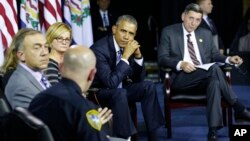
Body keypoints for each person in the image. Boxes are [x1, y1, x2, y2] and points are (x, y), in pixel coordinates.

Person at [157, 3, 250, 141]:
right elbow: (162, 58)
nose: (194, 23)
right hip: (182, 79)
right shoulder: (169, 32)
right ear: (183, 16)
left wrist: (229, 59)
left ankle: (212, 131)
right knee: (214, 69)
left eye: (198, 20)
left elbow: (215, 55)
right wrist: (180, 64)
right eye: (191, 18)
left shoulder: (205, 34)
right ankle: (238, 106)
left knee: (214, 83)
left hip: (205, 77)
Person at [90, 14, 165, 141]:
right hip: (100, 92)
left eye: (131, 33)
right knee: (120, 93)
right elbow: (110, 82)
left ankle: (153, 134)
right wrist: (125, 57)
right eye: (123, 31)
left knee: (149, 86)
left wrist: (138, 57)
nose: (126, 37)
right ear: (114, 29)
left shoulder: (128, 47)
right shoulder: (99, 49)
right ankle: (126, 137)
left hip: (122, 89)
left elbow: (139, 80)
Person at [29, 46, 114, 141]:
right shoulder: (83, 109)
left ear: (60, 67)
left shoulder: (38, 98)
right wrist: (97, 126)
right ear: (91, 74)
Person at [5, 28, 50, 109]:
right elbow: (34, 120)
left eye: (46, 46)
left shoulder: (40, 75)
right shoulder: (20, 86)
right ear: (21, 55)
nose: (45, 53)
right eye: (37, 48)